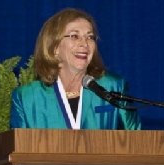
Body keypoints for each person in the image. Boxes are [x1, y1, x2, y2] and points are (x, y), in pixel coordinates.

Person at [10, 8, 141, 130]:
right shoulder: (27, 98)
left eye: (90, 37)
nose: (85, 44)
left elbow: (136, 143)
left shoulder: (113, 87)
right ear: (54, 48)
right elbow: (20, 150)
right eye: (74, 36)